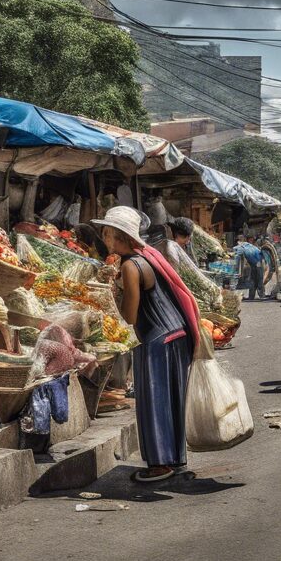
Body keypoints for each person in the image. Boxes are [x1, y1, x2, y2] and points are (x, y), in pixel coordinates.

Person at [93, 206, 203, 483]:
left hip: (155, 339)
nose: (104, 238)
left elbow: (129, 316)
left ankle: (159, 465)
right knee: (173, 401)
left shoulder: (131, 266)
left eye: (107, 233)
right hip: (176, 334)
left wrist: (111, 294)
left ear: (119, 237)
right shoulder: (149, 256)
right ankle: (174, 458)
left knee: (154, 402)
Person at [237, 235, 266, 300]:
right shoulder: (248, 246)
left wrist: (240, 272)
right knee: (253, 279)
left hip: (258, 263)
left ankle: (260, 295)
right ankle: (253, 296)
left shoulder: (243, 247)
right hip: (255, 263)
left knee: (258, 279)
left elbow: (242, 260)